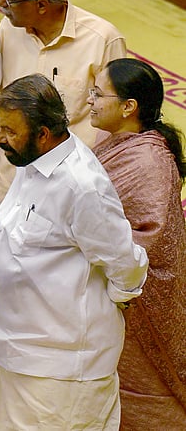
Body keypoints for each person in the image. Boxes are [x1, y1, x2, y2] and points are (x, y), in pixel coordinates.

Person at [0, 73, 148, 429]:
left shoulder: (82, 186)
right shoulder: (31, 162)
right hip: (13, 353)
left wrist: (116, 299)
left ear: (43, 135)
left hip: (61, 373)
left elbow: (126, 265)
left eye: (9, 131)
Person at [0, 0, 127, 214]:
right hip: (10, 182)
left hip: (70, 191)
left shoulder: (103, 40)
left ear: (42, 5)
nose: (0, 2)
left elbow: (117, 128)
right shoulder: (7, 28)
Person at [87, 58, 186, 429]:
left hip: (139, 297)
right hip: (109, 285)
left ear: (129, 107)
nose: (90, 101)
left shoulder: (148, 161)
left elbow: (151, 239)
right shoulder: (113, 141)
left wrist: (85, 243)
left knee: (143, 386)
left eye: (98, 94)